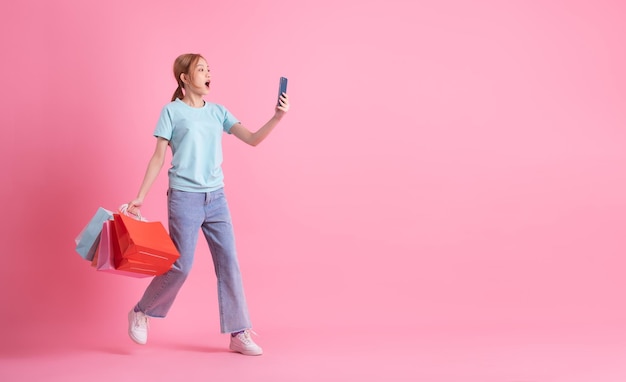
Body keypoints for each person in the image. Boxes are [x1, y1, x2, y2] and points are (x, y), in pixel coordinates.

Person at [125, 53, 289, 356]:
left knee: (229, 263)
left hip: (216, 198)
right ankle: (141, 311)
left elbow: (252, 139)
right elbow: (158, 157)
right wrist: (141, 196)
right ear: (185, 79)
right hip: (184, 198)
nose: (208, 73)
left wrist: (278, 117)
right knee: (181, 266)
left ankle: (238, 332)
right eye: (201, 69)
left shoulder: (218, 112)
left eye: (208, 69)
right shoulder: (171, 111)